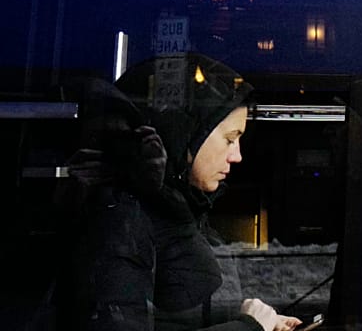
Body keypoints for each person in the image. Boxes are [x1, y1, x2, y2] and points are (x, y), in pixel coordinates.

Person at [57, 55, 303, 331]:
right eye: (230, 139)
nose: (237, 156)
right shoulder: (119, 220)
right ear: (184, 135)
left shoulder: (180, 213)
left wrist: (259, 322)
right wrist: (249, 327)